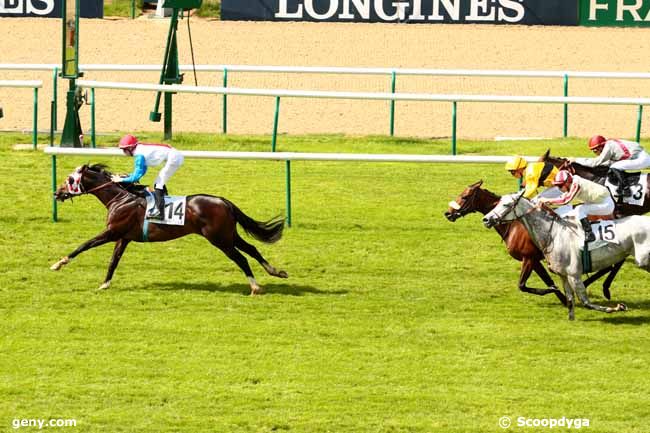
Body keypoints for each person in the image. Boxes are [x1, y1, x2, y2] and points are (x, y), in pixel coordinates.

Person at [111, 134, 184, 219]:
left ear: (130, 148)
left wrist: (120, 180)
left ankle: (160, 212)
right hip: (174, 155)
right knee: (159, 181)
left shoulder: (139, 155)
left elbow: (136, 178)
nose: (123, 152)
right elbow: (141, 172)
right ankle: (164, 201)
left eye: (124, 150)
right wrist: (124, 178)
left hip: (174, 158)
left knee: (158, 183)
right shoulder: (139, 150)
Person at [537, 170, 615, 242]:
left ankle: (589, 234)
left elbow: (565, 200)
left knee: (580, 209)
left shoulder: (576, 184)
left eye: (560, 185)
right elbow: (562, 197)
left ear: (567, 182)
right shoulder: (572, 183)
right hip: (599, 202)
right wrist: (547, 201)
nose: (559, 188)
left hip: (605, 204)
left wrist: (547, 200)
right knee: (578, 212)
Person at [574, 135, 650, 199]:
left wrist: (576, 160)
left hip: (641, 159)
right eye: (593, 150)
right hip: (640, 156)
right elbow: (607, 163)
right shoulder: (610, 144)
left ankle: (626, 189)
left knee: (615, 167)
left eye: (595, 149)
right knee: (615, 166)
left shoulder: (609, 147)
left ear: (601, 146)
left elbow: (596, 162)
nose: (595, 152)